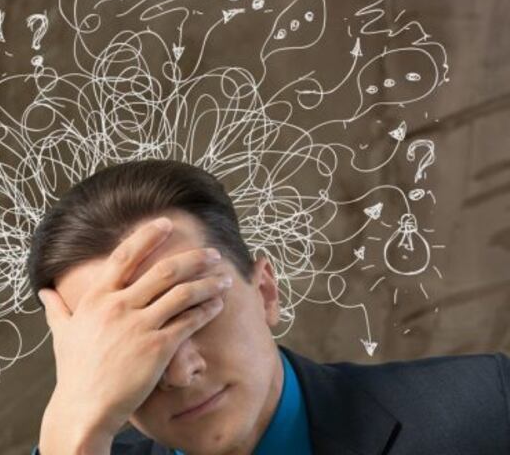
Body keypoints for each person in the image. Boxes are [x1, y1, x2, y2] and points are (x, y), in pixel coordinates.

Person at [26, 159, 510, 455]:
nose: (180, 372)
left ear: (265, 292)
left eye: (196, 310)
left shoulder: (489, 407)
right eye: (129, 339)